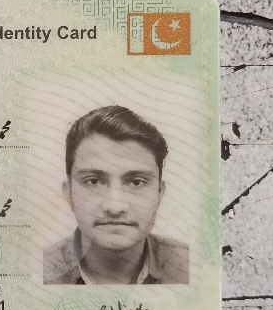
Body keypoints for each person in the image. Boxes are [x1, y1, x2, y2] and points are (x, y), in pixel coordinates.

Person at [43, 105, 189, 285]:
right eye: (93, 181)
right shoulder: (35, 269)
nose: (115, 206)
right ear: (69, 194)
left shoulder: (195, 267)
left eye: (136, 182)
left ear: (160, 194)